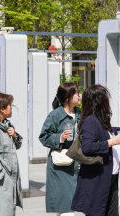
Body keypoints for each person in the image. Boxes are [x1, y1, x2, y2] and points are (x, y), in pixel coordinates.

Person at [71, 84, 120, 216]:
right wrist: (110, 142)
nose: (108, 99)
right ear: (98, 101)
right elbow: (87, 147)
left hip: (109, 178)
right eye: (105, 97)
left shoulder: (100, 119)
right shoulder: (91, 121)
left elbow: (111, 131)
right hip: (98, 180)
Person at [39, 83, 81, 216]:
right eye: (76, 92)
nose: (80, 94)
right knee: (67, 207)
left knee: (67, 207)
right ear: (68, 97)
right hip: (61, 166)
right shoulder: (55, 115)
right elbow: (43, 137)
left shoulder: (81, 113)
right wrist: (60, 137)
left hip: (79, 164)